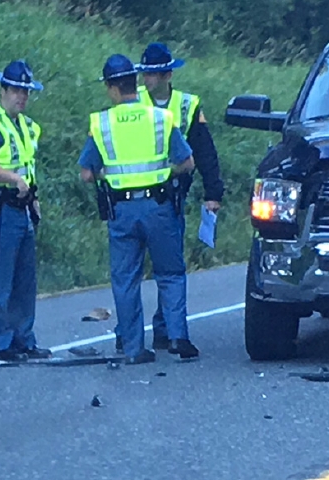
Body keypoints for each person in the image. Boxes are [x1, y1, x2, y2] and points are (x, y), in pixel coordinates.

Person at [78, 54, 198, 364]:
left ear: (111, 88)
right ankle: (177, 337)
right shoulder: (160, 118)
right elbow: (187, 163)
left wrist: (113, 176)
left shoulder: (101, 123)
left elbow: (87, 173)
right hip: (159, 207)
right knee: (170, 273)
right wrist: (161, 174)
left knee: (126, 280)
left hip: (122, 212)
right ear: (135, 82)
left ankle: (133, 348)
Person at [114, 42, 225, 355]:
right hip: (138, 195)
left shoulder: (187, 106)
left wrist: (213, 192)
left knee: (168, 266)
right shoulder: (134, 105)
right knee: (147, 271)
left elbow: (204, 150)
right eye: (145, 73)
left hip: (172, 194)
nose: (148, 79)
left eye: (153, 74)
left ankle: (164, 329)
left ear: (168, 74)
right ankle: (132, 332)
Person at [0, 60, 53, 362]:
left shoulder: (28, 127)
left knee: (24, 281)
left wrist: (33, 199)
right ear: (3, 89)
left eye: (26, 92)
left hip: (22, 210)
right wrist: (13, 179)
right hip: (0, 209)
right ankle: (1, 345)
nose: (22, 97)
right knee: (1, 281)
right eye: (17, 90)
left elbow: (27, 167)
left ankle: (24, 340)